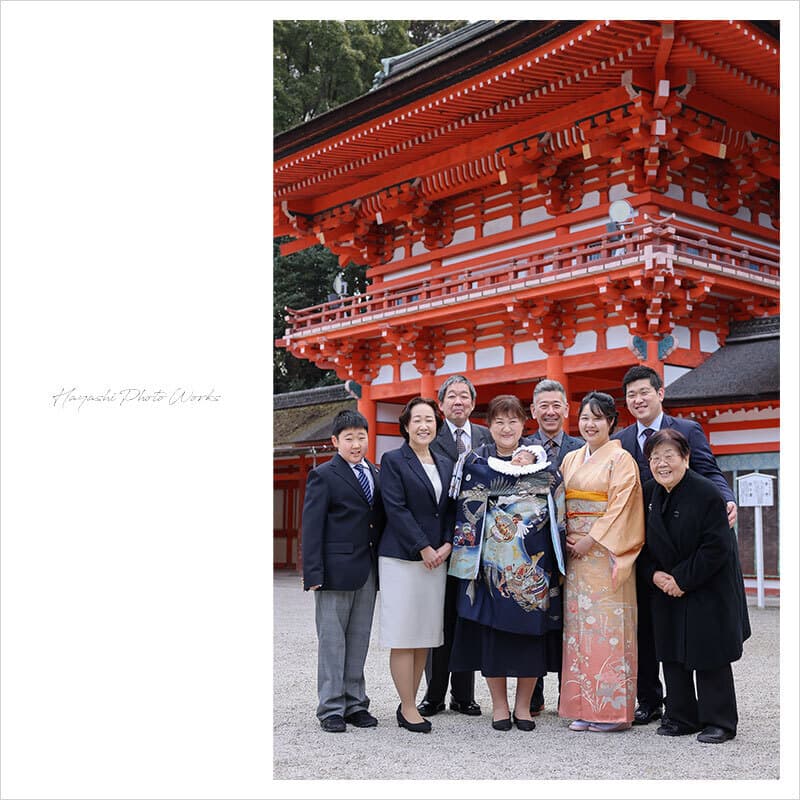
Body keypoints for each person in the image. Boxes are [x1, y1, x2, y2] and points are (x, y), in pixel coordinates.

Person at [614, 364, 738, 726]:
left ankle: (717, 719)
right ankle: (665, 708)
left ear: (660, 393)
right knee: (659, 639)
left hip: (695, 548)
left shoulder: (688, 433)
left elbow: (710, 470)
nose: (638, 399)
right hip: (656, 548)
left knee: (706, 642)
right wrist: (656, 575)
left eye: (644, 392)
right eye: (631, 395)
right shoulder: (621, 441)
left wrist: (725, 500)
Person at [449, 395, 565, 732]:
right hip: (490, 570)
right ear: (489, 426)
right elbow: (465, 514)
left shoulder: (543, 467)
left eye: (513, 421)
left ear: (523, 425)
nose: (506, 427)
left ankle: (524, 706)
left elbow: (559, 509)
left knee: (531, 638)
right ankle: (499, 705)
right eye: (499, 421)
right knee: (493, 638)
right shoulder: (476, 466)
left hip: (533, 569)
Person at [639, 429, 750, 743]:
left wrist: (682, 579)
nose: (662, 463)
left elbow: (717, 546)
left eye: (669, 456)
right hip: (665, 585)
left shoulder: (706, 492)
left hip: (706, 584)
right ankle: (681, 716)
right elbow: (640, 543)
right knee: (672, 651)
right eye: (655, 457)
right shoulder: (649, 493)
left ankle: (720, 721)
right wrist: (654, 576)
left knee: (708, 651)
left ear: (685, 458)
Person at [558, 392, 645, 733]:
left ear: (611, 422)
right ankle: (584, 706)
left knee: (608, 630)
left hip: (605, 554)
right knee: (579, 632)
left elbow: (622, 507)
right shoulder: (571, 459)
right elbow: (559, 501)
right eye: (584, 418)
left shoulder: (621, 460)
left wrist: (590, 539)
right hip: (575, 555)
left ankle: (612, 712)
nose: (589, 424)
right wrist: (563, 534)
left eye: (597, 418)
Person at [301, 410, 386, 733]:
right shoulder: (324, 475)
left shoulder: (375, 473)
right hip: (334, 572)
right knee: (332, 641)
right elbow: (311, 527)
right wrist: (313, 573)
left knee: (359, 639)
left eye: (361, 437)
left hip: (367, 569)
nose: (356, 444)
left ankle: (355, 703)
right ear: (335, 441)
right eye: (348, 438)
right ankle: (331, 708)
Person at [378, 397, 456, 733]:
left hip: (438, 558)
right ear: (406, 425)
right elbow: (395, 508)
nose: (424, 425)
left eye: (430, 419)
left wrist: (448, 544)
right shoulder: (394, 460)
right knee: (403, 633)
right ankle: (408, 706)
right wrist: (423, 547)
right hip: (402, 558)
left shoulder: (445, 461)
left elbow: (452, 509)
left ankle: (411, 701)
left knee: (424, 634)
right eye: (417, 420)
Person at [418, 375, 492, 718]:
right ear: (442, 403)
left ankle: (464, 695)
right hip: (441, 541)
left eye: (465, 396)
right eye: (452, 397)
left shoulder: (484, 437)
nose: (458, 402)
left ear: (473, 403)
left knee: (468, 616)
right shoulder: (431, 434)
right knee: (441, 618)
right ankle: (434, 694)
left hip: (477, 544)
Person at [526, 379, 584, 715]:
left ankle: (569, 693)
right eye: (543, 405)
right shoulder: (522, 449)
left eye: (556, 405)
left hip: (573, 548)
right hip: (533, 550)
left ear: (567, 409)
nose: (550, 412)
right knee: (532, 618)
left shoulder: (580, 449)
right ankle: (532, 694)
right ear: (533, 411)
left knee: (570, 621)